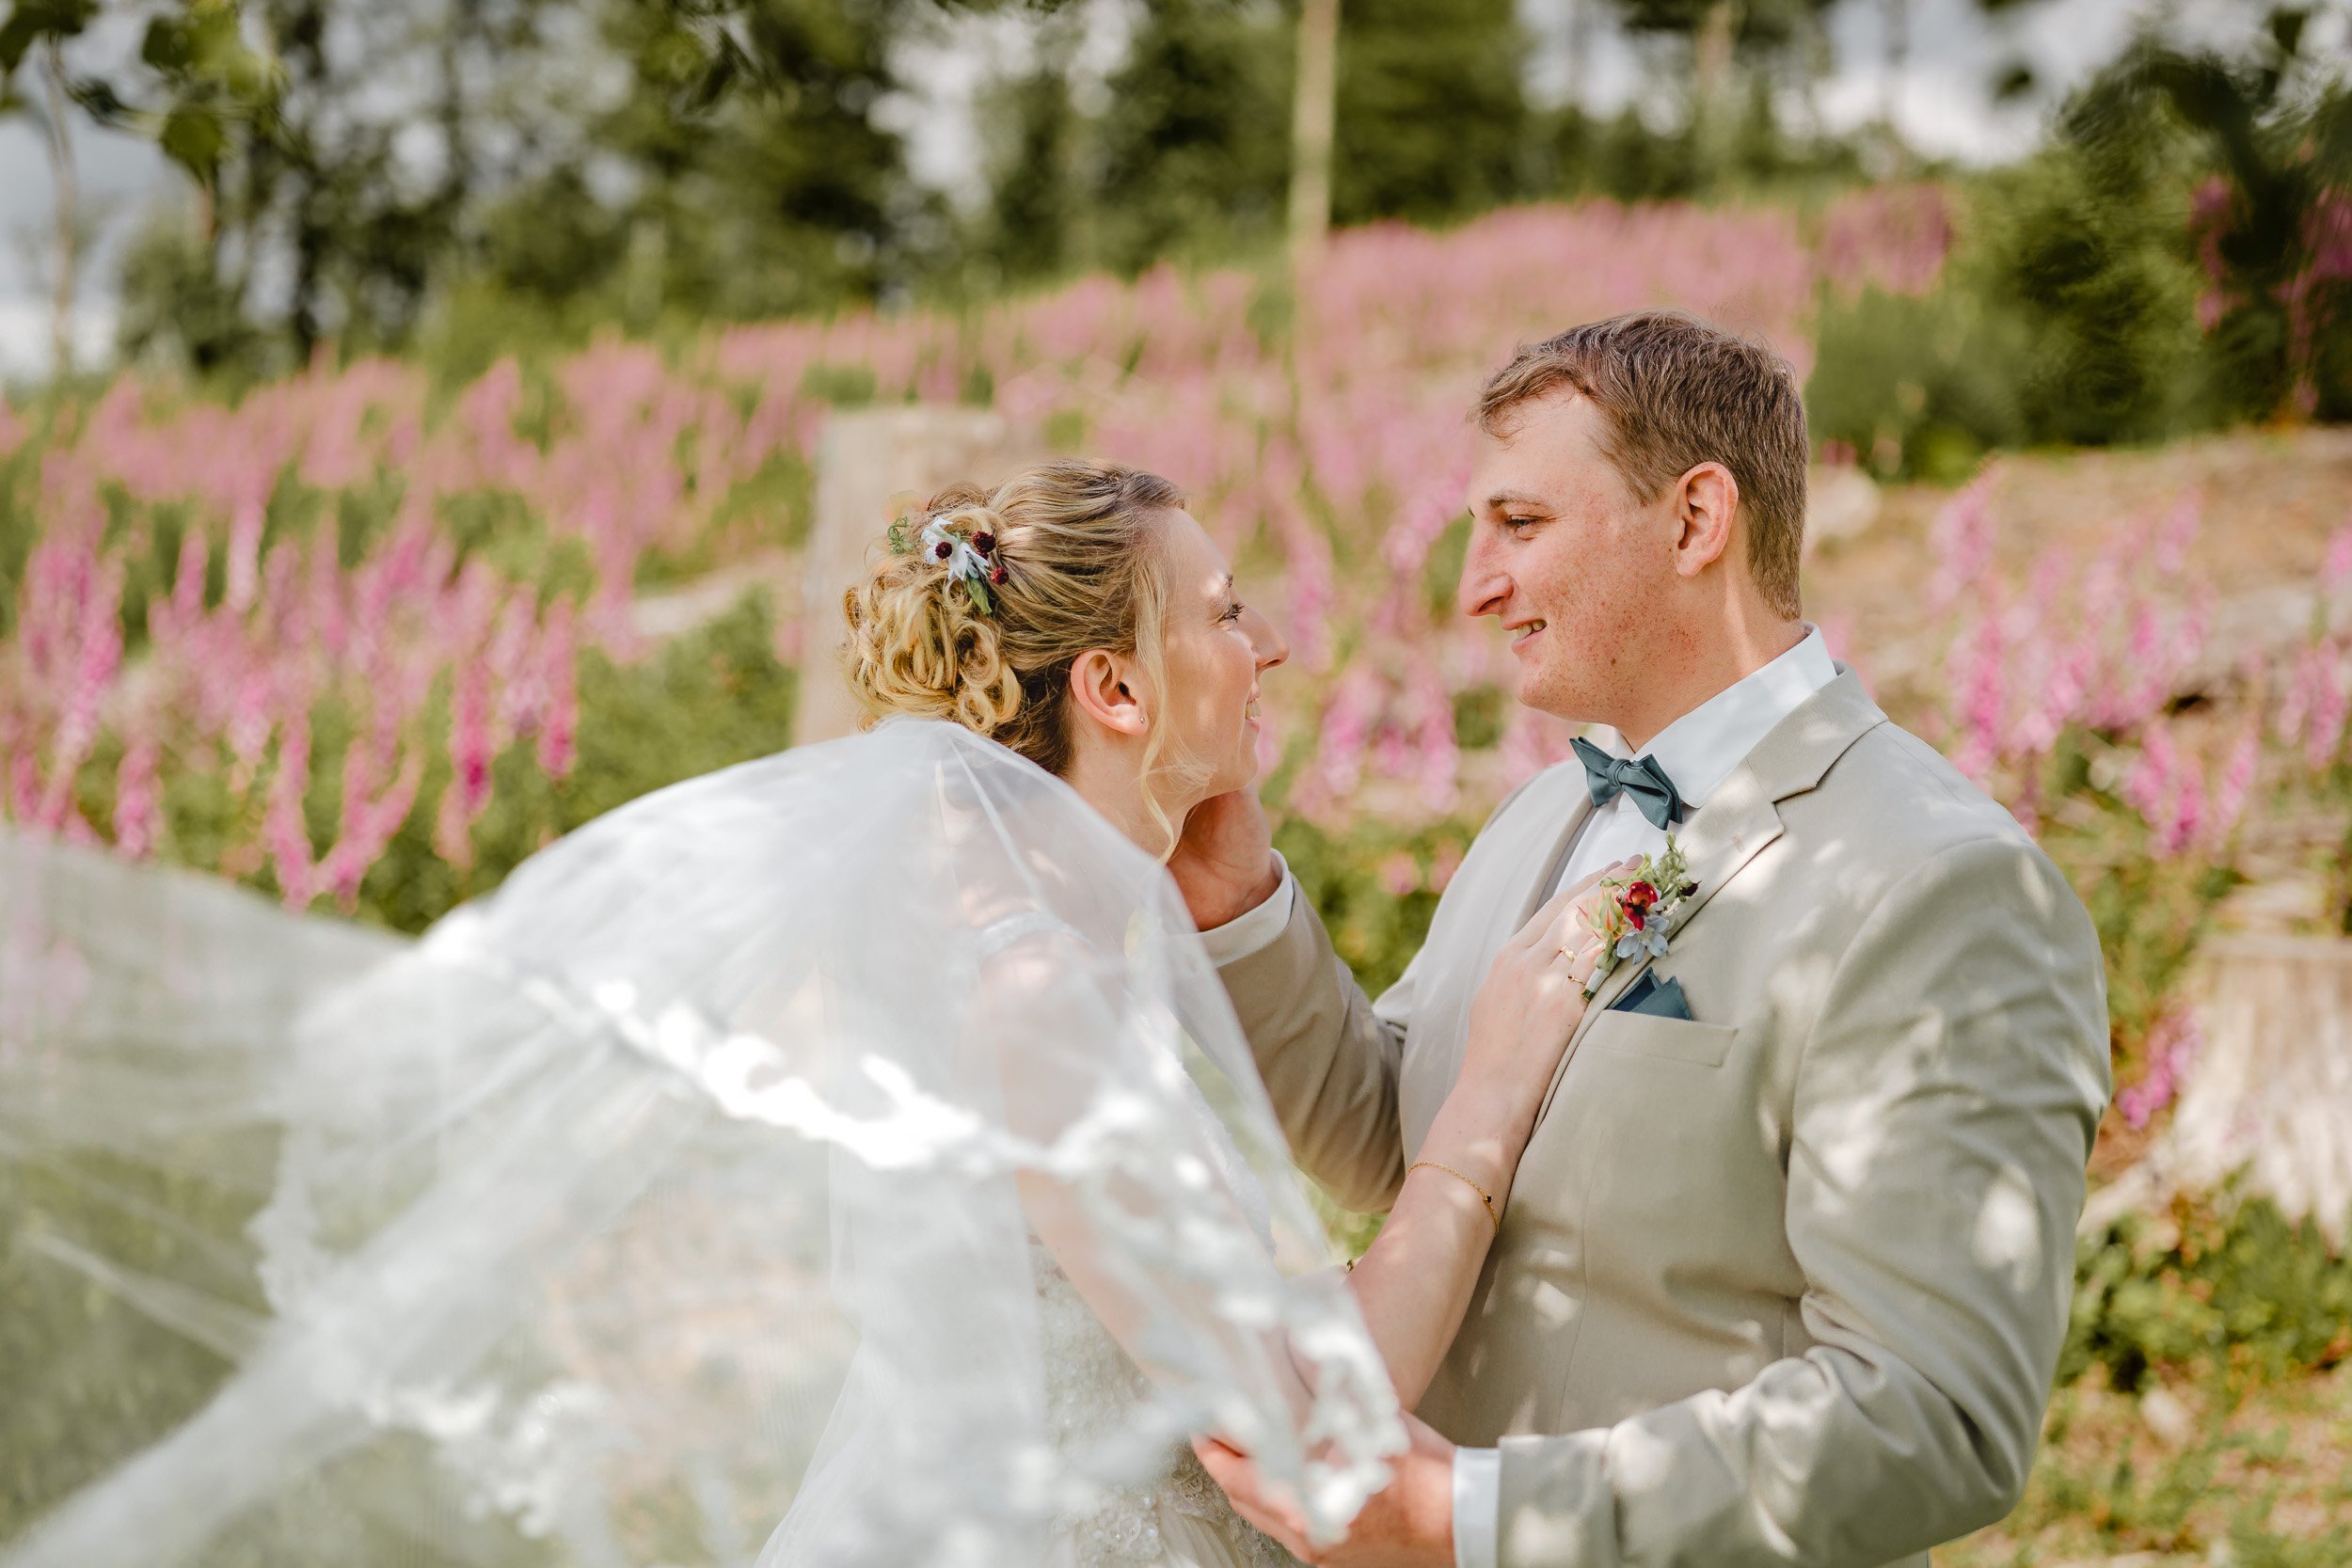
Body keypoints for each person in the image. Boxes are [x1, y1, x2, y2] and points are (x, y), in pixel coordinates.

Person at [1, 461, 1613, 1568]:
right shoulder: (1036, 987)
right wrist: (1487, 1100)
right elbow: (1298, 1426)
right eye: (1226, 611)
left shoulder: (1020, 939)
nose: (1268, 645)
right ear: (1115, 691)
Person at [1176, 312, 2114, 1567]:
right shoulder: (1546, 811)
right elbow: (1401, 1136)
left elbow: (1934, 1413)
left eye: (1520, 525)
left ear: (1694, 520)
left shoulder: (1944, 887)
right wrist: (1241, 910)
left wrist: (1477, 1518)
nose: (1473, 587)